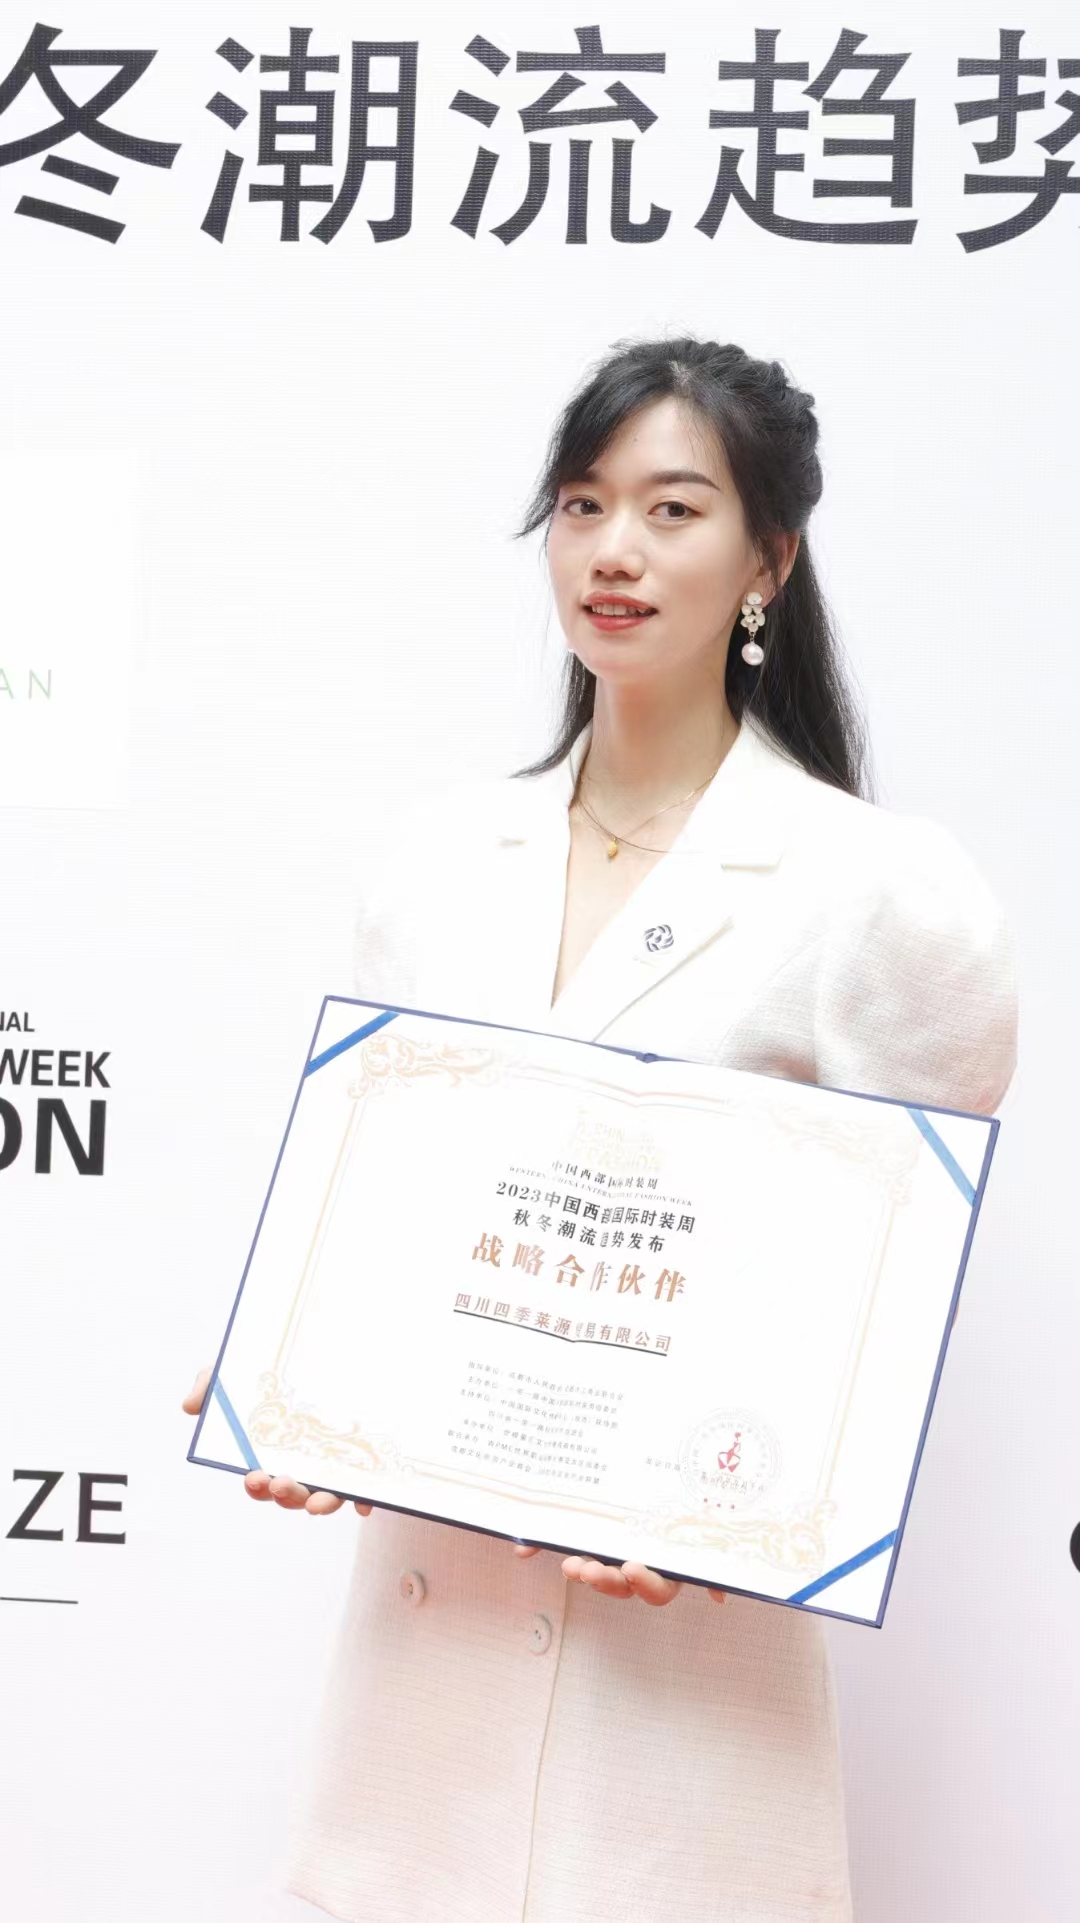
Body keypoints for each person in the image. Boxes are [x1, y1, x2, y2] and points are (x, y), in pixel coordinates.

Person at [184, 336, 1018, 1922]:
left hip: (679, 1689)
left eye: (671, 509)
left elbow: (884, 1292)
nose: (613, 551)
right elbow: (387, 1216)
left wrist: (736, 1512)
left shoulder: (876, 895)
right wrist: (303, 1382)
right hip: (424, 1676)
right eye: (581, 505)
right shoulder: (438, 861)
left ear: (770, 559)